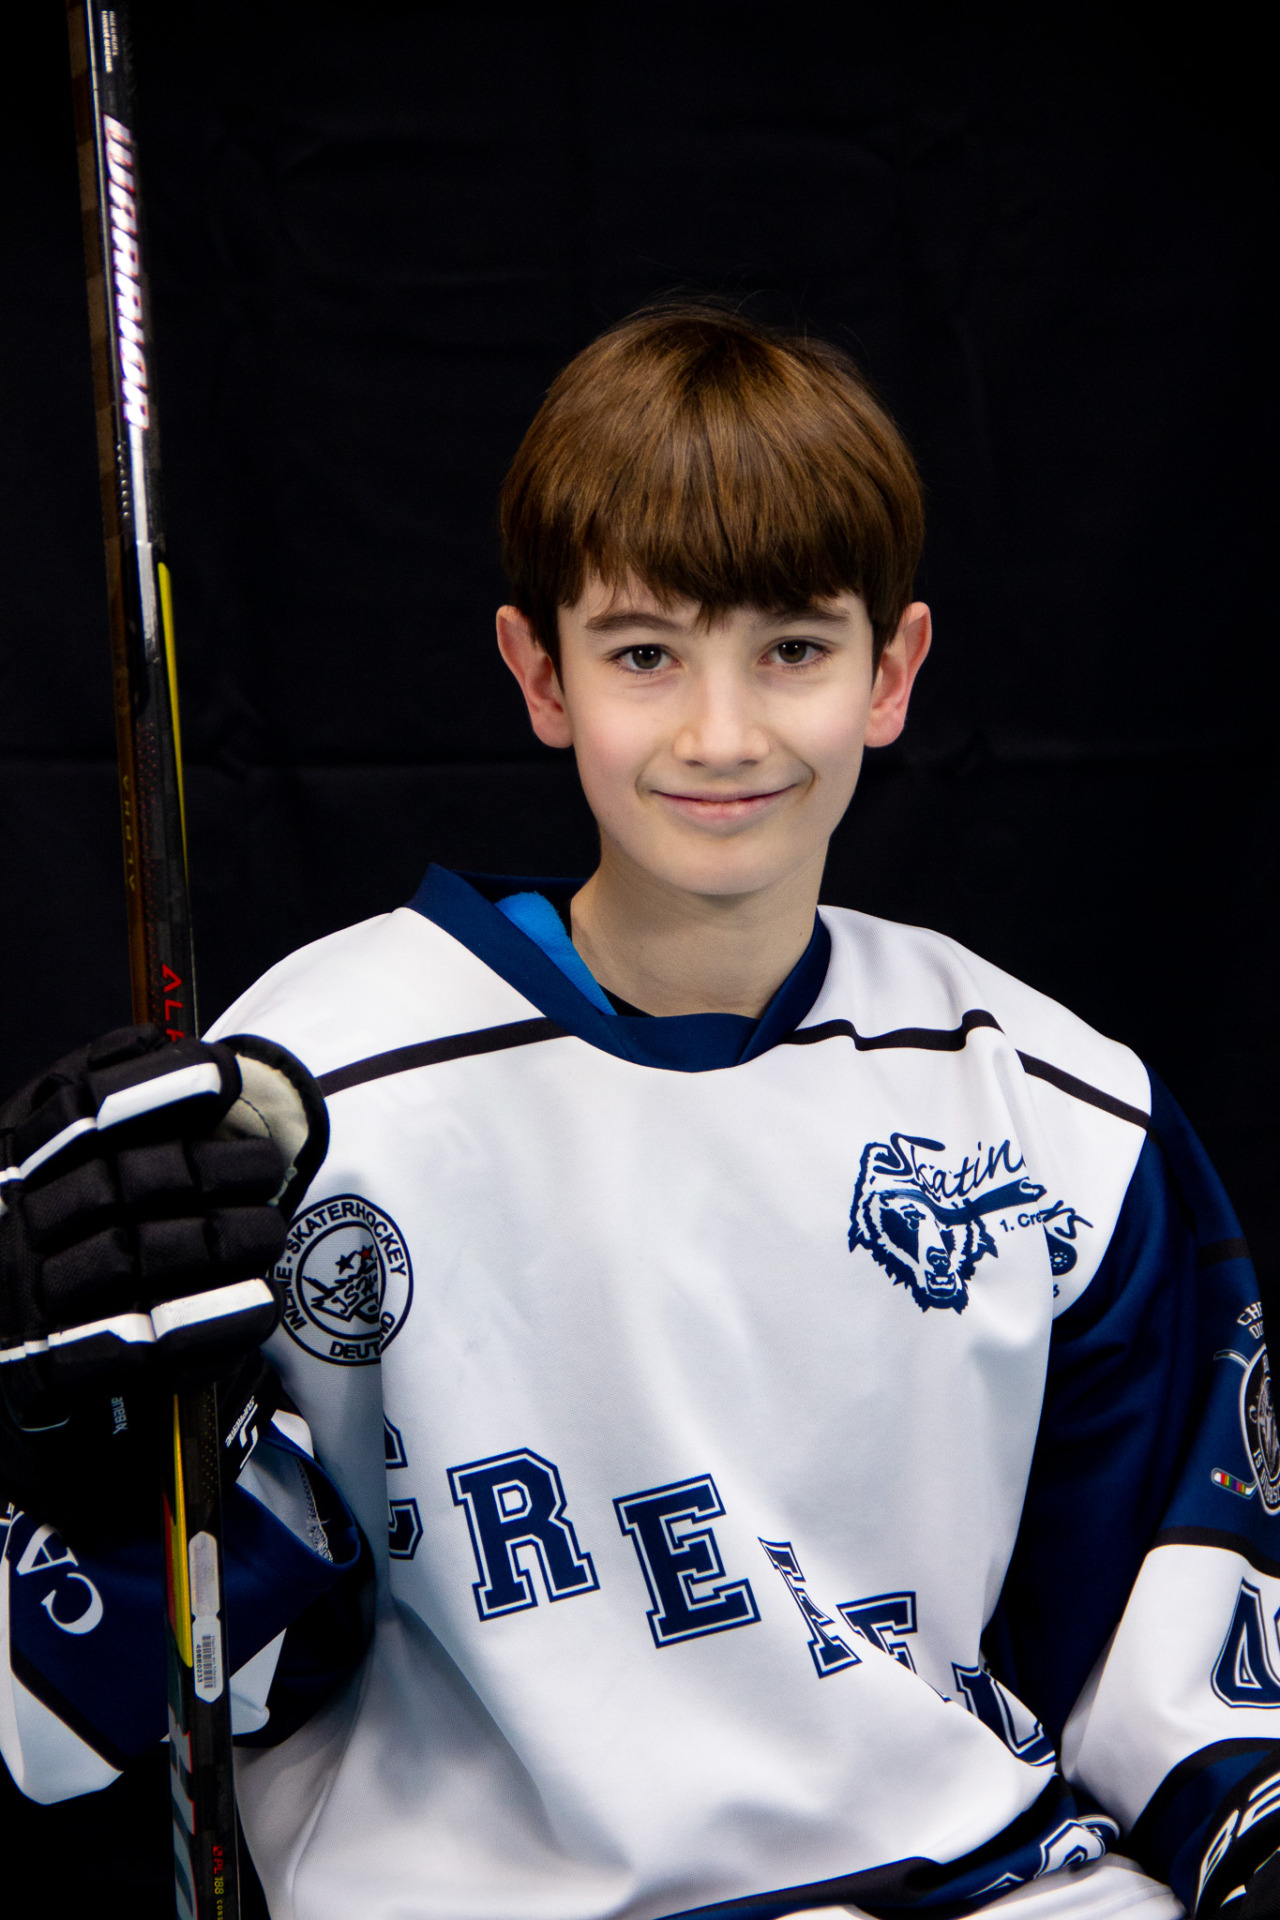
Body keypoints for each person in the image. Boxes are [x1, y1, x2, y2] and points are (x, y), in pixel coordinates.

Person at [2, 305, 1278, 1920]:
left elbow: (1183, 1661)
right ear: (541, 673)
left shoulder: (1056, 1107)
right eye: (644, 654)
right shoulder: (310, 1092)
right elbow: (98, 1707)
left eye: (793, 650)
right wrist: (94, 1459)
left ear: (893, 672)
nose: (721, 735)